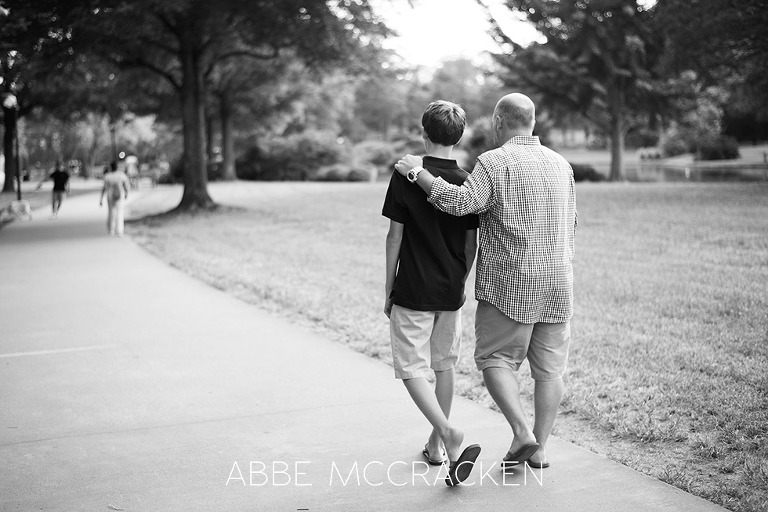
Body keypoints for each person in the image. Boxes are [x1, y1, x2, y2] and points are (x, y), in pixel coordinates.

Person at [394, 93, 577, 471]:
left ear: (497, 123)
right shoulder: (562, 165)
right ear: (533, 121)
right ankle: (538, 449)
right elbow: (571, 222)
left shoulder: (494, 163)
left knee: (495, 359)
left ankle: (522, 432)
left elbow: (460, 204)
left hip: (511, 285)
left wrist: (417, 173)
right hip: (559, 283)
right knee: (550, 371)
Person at [383, 100, 481, 486]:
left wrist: (389, 287)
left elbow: (395, 236)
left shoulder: (407, 173)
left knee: (410, 368)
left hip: (414, 288)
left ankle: (449, 432)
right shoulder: (469, 180)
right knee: (443, 365)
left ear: (424, 133)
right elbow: (471, 242)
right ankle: (437, 446)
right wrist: (459, 278)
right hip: (450, 289)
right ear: (459, 138)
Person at [99, 161, 130, 237]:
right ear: (117, 167)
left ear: (111, 167)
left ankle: (111, 229)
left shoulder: (108, 176)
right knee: (120, 212)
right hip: (120, 195)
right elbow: (126, 185)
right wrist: (126, 193)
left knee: (111, 212)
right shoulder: (121, 175)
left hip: (110, 195)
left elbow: (104, 188)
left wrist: (101, 198)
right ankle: (119, 230)